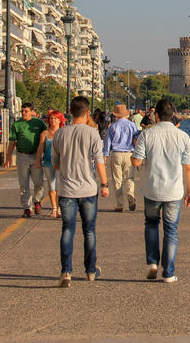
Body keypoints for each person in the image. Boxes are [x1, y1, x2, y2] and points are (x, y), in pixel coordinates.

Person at [131, 98, 190, 283]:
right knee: (171, 230)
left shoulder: (147, 135)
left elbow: (136, 161)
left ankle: (152, 263)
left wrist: (136, 160)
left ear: (156, 115)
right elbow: (188, 167)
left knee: (151, 224)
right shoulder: (183, 137)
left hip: (152, 188)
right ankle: (168, 272)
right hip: (174, 191)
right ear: (172, 115)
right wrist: (189, 192)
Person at [52, 96, 109, 288]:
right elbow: (99, 161)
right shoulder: (93, 134)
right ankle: (90, 271)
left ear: (70, 112)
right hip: (88, 189)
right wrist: (105, 184)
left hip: (67, 189)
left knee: (67, 230)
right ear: (86, 113)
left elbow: (56, 163)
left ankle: (66, 271)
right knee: (89, 230)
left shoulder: (60, 134)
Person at [5, 103, 47, 218]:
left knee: (39, 182)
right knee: (24, 184)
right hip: (22, 155)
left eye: (26, 111)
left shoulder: (39, 123)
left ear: (32, 112)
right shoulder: (17, 124)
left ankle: (37, 201)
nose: (24, 113)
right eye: (22, 111)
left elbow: (47, 135)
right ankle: (27, 208)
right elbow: (12, 142)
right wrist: (8, 157)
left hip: (36, 156)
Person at [103, 104, 140, 212]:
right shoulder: (132, 125)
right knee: (129, 178)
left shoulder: (113, 126)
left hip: (116, 154)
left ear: (116, 115)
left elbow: (107, 143)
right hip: (129, 153)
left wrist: (105, 156)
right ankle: (130, 193)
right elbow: (136, 139)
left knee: (117, 180)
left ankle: (120, 204)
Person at [35, 110, 65, 218]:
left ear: (60, 120)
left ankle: (60, 208)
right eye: (51, 118)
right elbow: (40, 148)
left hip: (60, 163)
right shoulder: (45, 133)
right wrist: (38, 160)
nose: (53, 120)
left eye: (55, 118)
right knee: (52, 186)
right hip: (48, 162)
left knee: (60, 186)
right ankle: (54, 208)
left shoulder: (63, 132)